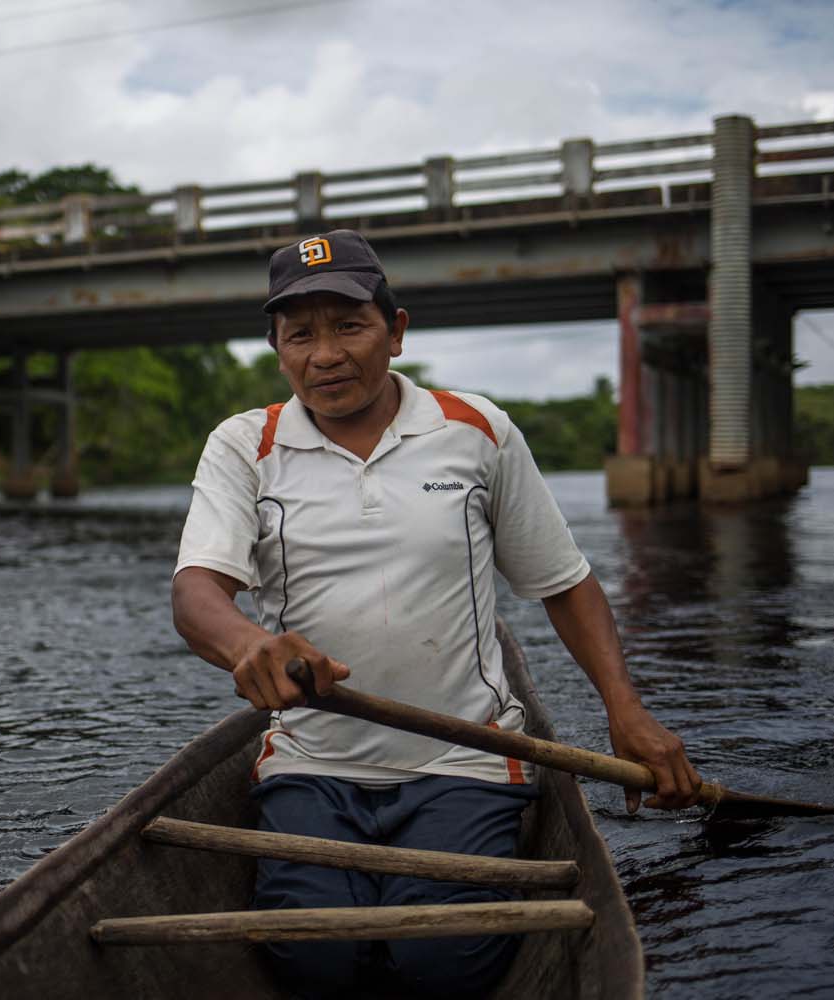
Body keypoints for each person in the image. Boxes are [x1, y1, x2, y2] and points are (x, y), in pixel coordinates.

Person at [171, 229, 700, 997]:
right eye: (301, 335)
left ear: (396, 330)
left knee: (443, 963)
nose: (325, 355)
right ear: (277, 348)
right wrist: (249, 642)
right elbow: (196, 595)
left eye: (349, 326)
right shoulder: (244, 444)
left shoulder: (475, 430)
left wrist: (626, 710)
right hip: (314, 762)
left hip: (467, 758)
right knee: (311, 959)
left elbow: (564, 581)